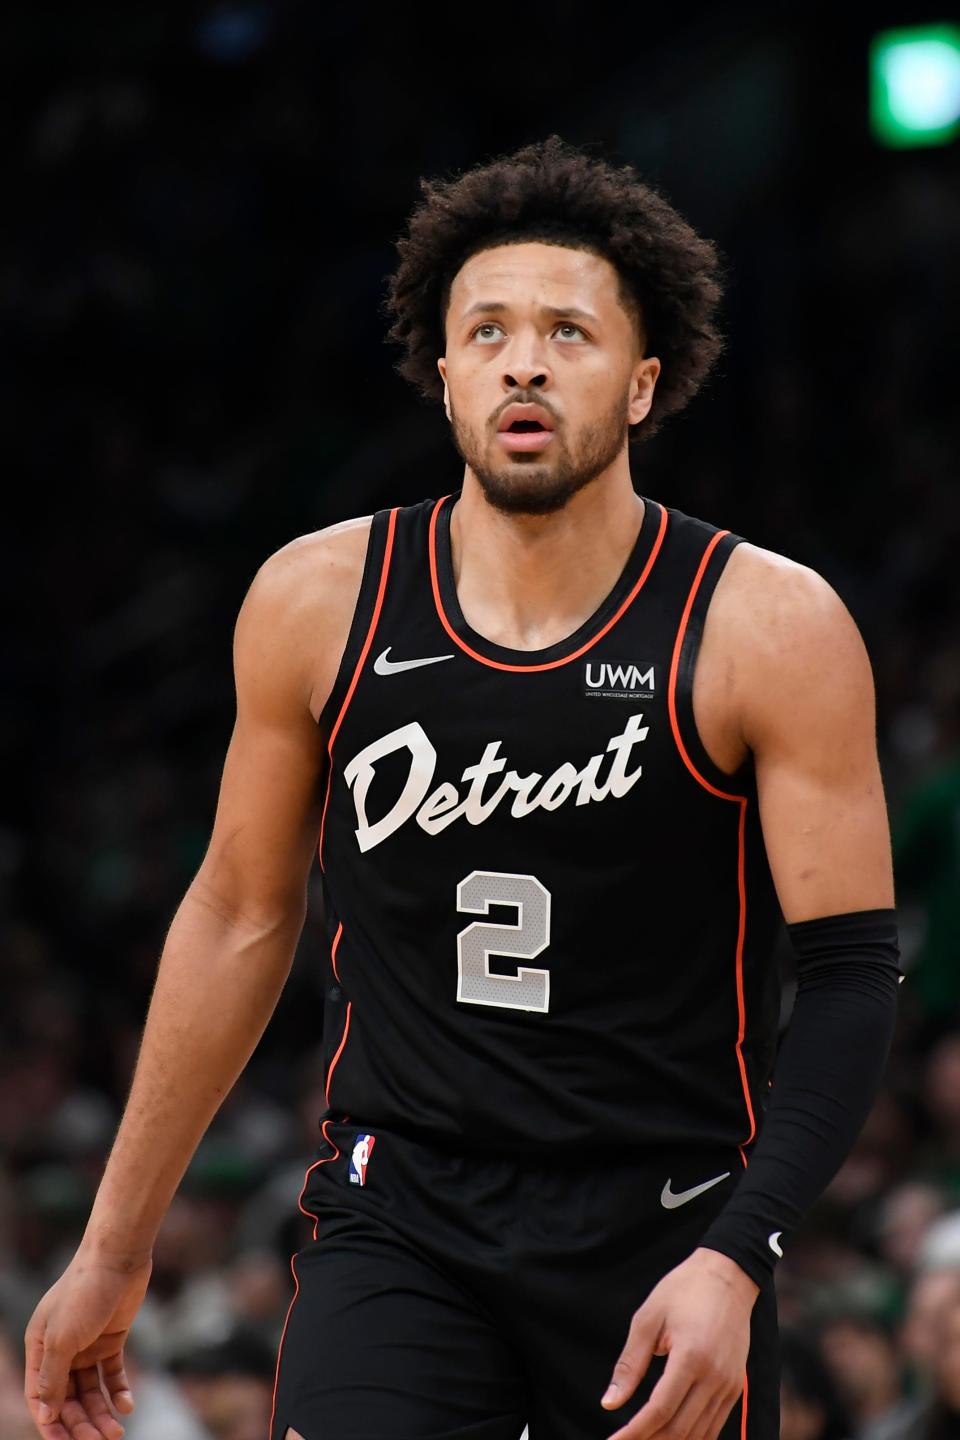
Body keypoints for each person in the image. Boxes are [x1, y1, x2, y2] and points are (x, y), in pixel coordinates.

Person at [24, 135, 902, 1440]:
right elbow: (239, 918)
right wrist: (112, 1244)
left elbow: (848, 972)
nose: (524, 361)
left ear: (645, 382)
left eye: (568, 331)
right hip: (403, 1213)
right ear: (443, 377)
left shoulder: (767, 626)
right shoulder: (320, 600)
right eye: (484, 332)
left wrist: (742, 1253)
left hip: (665, 1222)